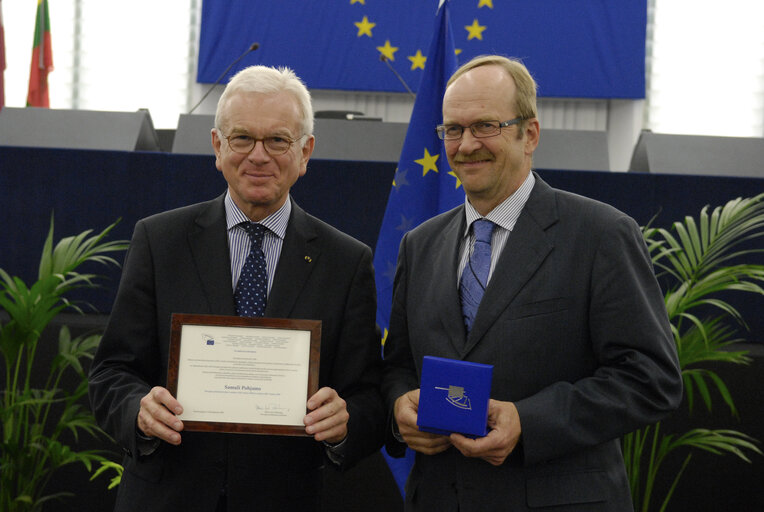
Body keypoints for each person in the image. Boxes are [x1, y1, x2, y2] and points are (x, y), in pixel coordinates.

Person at [381, 55, 683, 511]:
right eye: (453, 130)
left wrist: (529, 420)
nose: (466, 145)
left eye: (485, 126)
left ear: (530, 134)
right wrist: (398, 406)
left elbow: (651, 378)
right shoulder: (420, 246)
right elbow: (398, 366)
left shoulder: (600, 235)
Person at [89, 65, 385, 512]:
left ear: (305, 152)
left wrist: (345, 422)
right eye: (242, 138)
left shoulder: (346, 262)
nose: (258, 156)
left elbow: (369, 399)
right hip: (166, 496)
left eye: (277, 140)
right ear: (217, 146)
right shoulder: (159, 241)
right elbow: (111, 372)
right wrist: (138, 410)